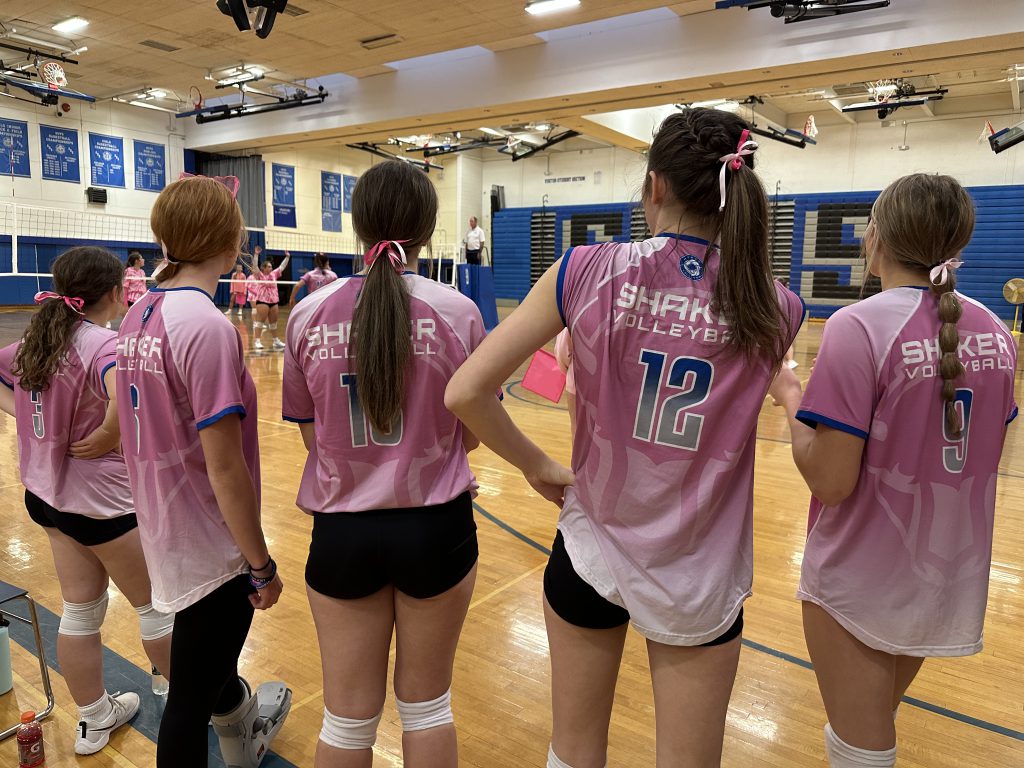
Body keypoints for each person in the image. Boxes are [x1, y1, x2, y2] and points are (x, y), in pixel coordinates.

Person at [446, 108, 803, 768]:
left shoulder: (586, 269)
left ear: (655, 187)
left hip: (592, 547)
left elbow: (465, 392)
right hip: (703, 570)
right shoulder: (777, 305)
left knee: (574, 751)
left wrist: (534, 464)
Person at [768, 173, 1017, 768]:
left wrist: (790, 396)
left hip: (862, 577)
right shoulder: (996, 331)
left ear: (875, 236)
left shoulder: (858, 326)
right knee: (870, 724)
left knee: (862, 746)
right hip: (945, 574)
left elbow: (830, 480)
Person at [283, 160, 486, 768]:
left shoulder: (307, 315)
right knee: (427, 708)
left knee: (346, 719)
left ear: (356, 224)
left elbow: (312, 441)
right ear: (428, 229)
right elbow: (472, 438)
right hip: (436, 530)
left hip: (342, 531)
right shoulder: (458, 313)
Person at [117, 175, 290, 768]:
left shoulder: (138, 313)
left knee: (202, 675)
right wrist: (260, 564)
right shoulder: (207, 327)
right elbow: (226, 467)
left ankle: (243, 721)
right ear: (230, 239)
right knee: (187, 706)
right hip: (208, 545)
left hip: (164, 527)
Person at [0, 247, 173, 756]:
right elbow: (123, 395)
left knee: (80, 611)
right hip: (102, 506)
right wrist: (107, 433)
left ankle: (95, 717)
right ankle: (195, 702)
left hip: (48, 499)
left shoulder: (36, 339)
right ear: (118, 292)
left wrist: (32, 423)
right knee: (156, 609)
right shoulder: (104, 344)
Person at [248, 244, 290, 350]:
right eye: (269, 266)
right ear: (264, 268)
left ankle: (276, 341)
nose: (271, 268)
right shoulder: (259, 275)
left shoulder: (274, 274)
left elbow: (282, 267)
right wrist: (256, 255)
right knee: (260, 322)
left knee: (273, 323)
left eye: (271, 266)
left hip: (274, 301)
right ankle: (257, 341)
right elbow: (255, 267)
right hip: (262, 301)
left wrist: (287, 257)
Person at [553, 329, 576, 435]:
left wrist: (567, 371)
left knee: (580, 433)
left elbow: (562, 350)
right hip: (624, 388)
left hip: (578, 381)